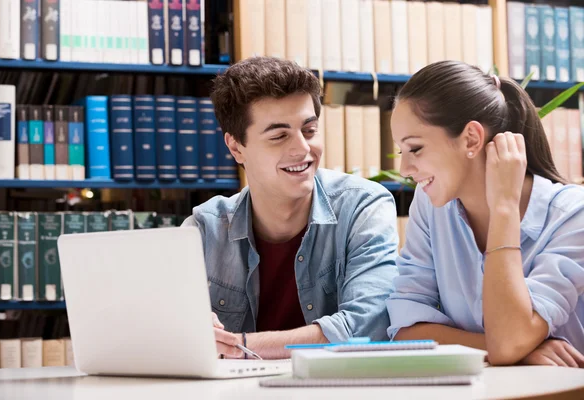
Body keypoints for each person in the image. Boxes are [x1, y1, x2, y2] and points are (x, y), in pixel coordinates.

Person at [182, 56, 399, 360]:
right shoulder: (204, 229)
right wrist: (189, 330)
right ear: (235, 147)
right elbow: (167, 331)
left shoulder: (363, 207)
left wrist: (235, 346)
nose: (303, 149)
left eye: (309, 130)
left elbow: (368, 326)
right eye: (279, 136)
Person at [386, 60, 584, 367]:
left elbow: (507, 343)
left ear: (471, 139)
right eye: (402, 151)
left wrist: (504, 208)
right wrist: (521, 350)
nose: (405, 170)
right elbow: (405, 331)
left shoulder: (573, 214)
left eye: (416, 149)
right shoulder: (430, 209)